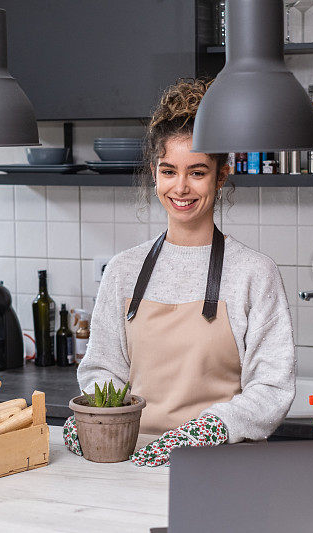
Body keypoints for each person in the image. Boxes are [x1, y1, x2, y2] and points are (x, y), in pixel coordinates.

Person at [63, 79, 296, 467]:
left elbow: (272, 388)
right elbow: (103, 368)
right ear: (155, 174)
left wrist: (206, 432)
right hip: (131, 463)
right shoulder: (123, 271)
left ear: (222, 175)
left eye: (198, 172)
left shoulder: (255, 273)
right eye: (169, 171)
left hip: (220, 467)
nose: (181, 187)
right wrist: (101, 418)